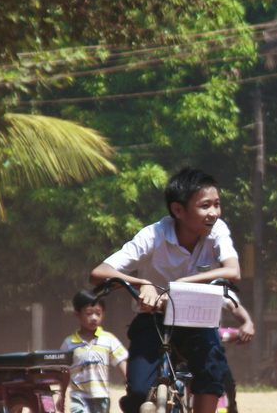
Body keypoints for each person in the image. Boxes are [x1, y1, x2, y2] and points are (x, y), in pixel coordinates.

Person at [90, 168, 242, 413]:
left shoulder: (218, 231)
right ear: (178, 210)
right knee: (138, 392)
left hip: (198, 321)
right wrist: (142, 283)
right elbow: (99, 273)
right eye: (205, 206)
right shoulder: (153, 235)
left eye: (217, 204)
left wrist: (181, 284)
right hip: (153, 319)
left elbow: (233, 271)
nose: (213, 213)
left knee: (212, 376)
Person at [61, 291, 129, 413]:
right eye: (88, 313)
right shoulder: (69, 343)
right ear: (77, 314)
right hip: (78, 396)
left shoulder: (108, 339)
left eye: (98, 313)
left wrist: (130, 383)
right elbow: (63, 371)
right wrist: (62, 395)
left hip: (101, 396)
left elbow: (121, 361)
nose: (94, 318)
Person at [217, 289, 255, 413]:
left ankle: (231, 407)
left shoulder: (215, 285)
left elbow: (233, 305)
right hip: (174, 343)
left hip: (208, 342)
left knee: (227, 383)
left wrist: (247, 322)